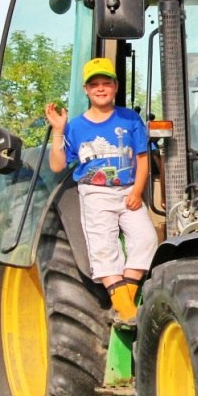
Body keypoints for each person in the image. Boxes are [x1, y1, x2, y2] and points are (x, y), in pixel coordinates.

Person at [45, 57, 158, 325]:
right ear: (86, 89)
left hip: (128, 190)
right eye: (94, 84)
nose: (100, 88)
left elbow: (142, 158)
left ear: (115, 86)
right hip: (95, 193)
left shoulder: (129, 118)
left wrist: (137, 191)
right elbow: (57, 165)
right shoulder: (75, 126)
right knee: (104, 249)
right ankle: (127, 310)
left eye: (106, 83)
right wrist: (58, 130)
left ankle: (123, 302)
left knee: (147, 240)